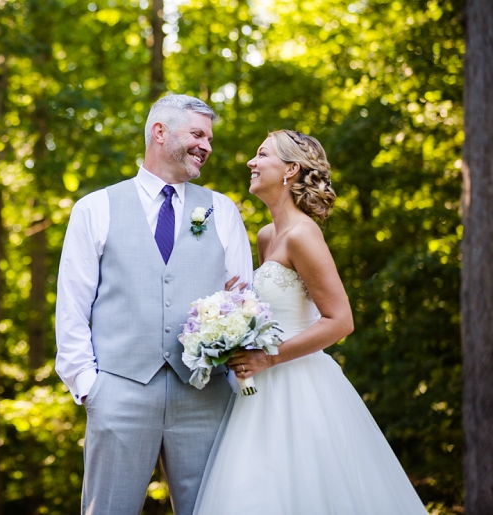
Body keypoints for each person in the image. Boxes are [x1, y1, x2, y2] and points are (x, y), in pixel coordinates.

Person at [193, 130, 428, 515]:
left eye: (261, 154)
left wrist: (268, 358)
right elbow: (273, 307)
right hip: (256, 389)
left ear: (290, 169)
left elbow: (340, 321)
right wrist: (234, 304)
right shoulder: (268, 235)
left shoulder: (304, 234)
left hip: (297, 383)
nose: (251, 163)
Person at [55, 94, 253, 515]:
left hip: (205, 395)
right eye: (198, 134)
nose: (207, 146)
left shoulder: (222, 210)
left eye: (210, 138)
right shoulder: (95, 208)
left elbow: (242, 300)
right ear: (159, 132)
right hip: (119, 391)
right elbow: (72, 305)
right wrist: (90, 387)